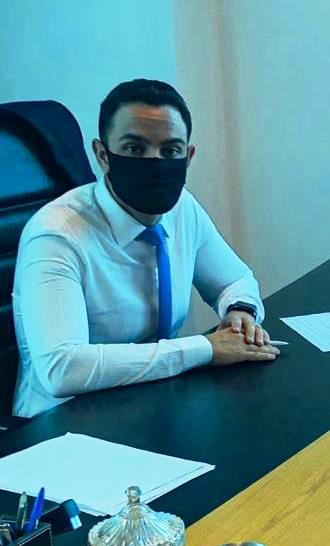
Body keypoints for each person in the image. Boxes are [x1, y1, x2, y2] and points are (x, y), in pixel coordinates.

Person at [13, 79, 279, 418]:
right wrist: (206, 348)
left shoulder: (182, 208)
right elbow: (62, 368)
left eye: (170, 151)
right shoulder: (56, 236)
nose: (155, 162)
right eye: (135, 149)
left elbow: (235, 280)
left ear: (188, 156)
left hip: (154, 402)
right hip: (61, 423)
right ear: (102, 155)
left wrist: (240, 313)